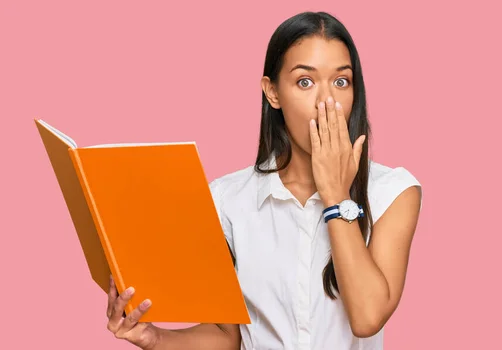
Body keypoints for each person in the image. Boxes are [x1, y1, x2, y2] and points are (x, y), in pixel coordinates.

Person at [105, 11, 422, 350]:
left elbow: (367, 317)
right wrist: (154, 337)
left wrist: (335, 195)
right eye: (305, 82)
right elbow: (227, 337)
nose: (326, 102)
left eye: (341, 82)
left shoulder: (393, 191)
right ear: (273, 93)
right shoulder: (227, 200)